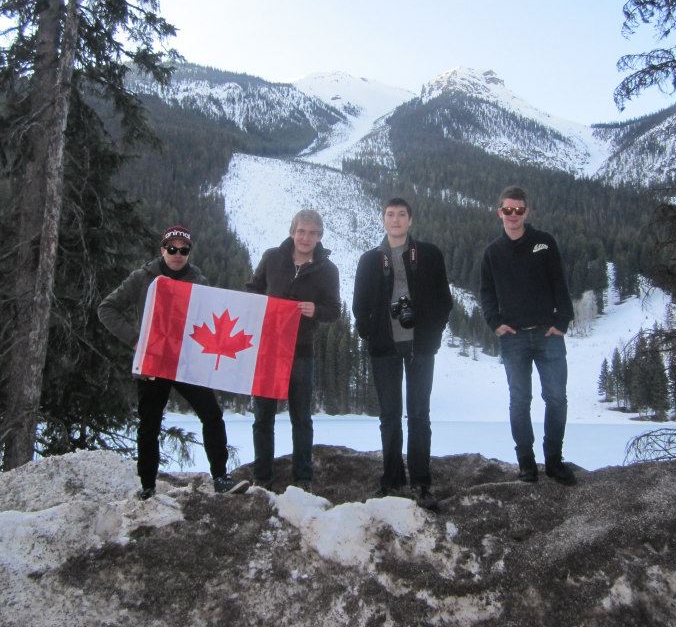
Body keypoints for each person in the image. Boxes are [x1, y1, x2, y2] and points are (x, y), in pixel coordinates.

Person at [98, 225, 246, 499]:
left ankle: (221, 477)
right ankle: (148, 486)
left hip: (188, 362)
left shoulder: (199, 282)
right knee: (149, 423)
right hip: (153, 361)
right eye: (172, 248)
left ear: (189, 252)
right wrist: (136, 339)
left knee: (212, 414)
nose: (178, 254)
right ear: (162, 249)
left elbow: (212, 318)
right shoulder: (143, 278)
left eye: (184, 249)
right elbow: (106, 309)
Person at [352, 198, 453, 509]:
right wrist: (370, 333)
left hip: (421, 346)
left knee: (419, 415)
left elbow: (443, 301)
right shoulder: (370, 260)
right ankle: (392, 479)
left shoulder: (429, 254)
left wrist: (432, 334)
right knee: (389, 416)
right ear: (383, 220)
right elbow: (360, 306)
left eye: (401, 215)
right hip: (384, 348)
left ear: (411, 220)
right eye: (389, 214)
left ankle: (421, 483)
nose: (395, 220)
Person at [479, 186, 577, 485]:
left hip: (549, 335)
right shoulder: (493, 252)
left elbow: (560, 282)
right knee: (519, 401)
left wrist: (563, 321)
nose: (513, 215)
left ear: (526, 212)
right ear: (499, 212)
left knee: (557, 399)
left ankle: (554, 461)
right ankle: (526, 464)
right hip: (514, 338)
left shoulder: (544, 243)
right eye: (508, 210)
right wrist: (495, 322)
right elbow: (486, 293)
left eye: (518, 210)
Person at [246, 209, 340, 490]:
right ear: (292, 232)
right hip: (268, 349)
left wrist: (315, 310)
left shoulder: (328, 269)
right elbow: (252, 289)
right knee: (262, 417)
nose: (306, 237)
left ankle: (303, 478)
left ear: (320, 236)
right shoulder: (272, 257)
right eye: (301, 231)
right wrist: (265, 307)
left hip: (301, 351)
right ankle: (262, 477)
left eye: (312, 233)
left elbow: (334, 311)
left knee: (301, 418)